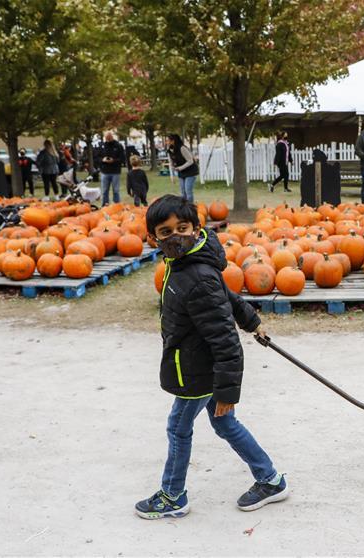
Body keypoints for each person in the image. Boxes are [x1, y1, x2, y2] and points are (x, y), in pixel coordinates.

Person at [135, 195, 286, 520]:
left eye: (182, 228)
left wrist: (228, 393)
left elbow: (225, 341)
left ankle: (173, 495)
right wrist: (252, 322)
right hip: (196, 363)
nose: (176, 236)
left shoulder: (196, 274)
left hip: (198, 370)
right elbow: (227, 297)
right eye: (166, 232)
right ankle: (270, 479)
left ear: (196, 228)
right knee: (224, 423)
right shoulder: (187, 264)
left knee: (178, 427)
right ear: (153, 238)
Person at [165, 134, 198, 202]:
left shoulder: (182, 148)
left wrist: (180, 168)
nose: (166, 142)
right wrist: (172, 176)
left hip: (191, 171)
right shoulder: (169, 151)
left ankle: (190, 207)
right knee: (183, 192)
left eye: (167, 140)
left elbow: (190, 161)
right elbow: (171, 164)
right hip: (181, 172)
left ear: (173, 141)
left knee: (188, 191)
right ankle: (184, 207)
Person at [99, 131, 125, 206]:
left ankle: (117, 205)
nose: (108, 139)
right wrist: (102, 160)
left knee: (116, 190)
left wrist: (114, 160)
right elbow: (97, 157)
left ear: (112, 137)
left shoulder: (118, 145)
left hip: (115, 171)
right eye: (106, 138)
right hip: (104, 171)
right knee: (104, 191)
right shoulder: (102, 146)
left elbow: (122, 159)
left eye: (109, 138)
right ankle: (105, 204)